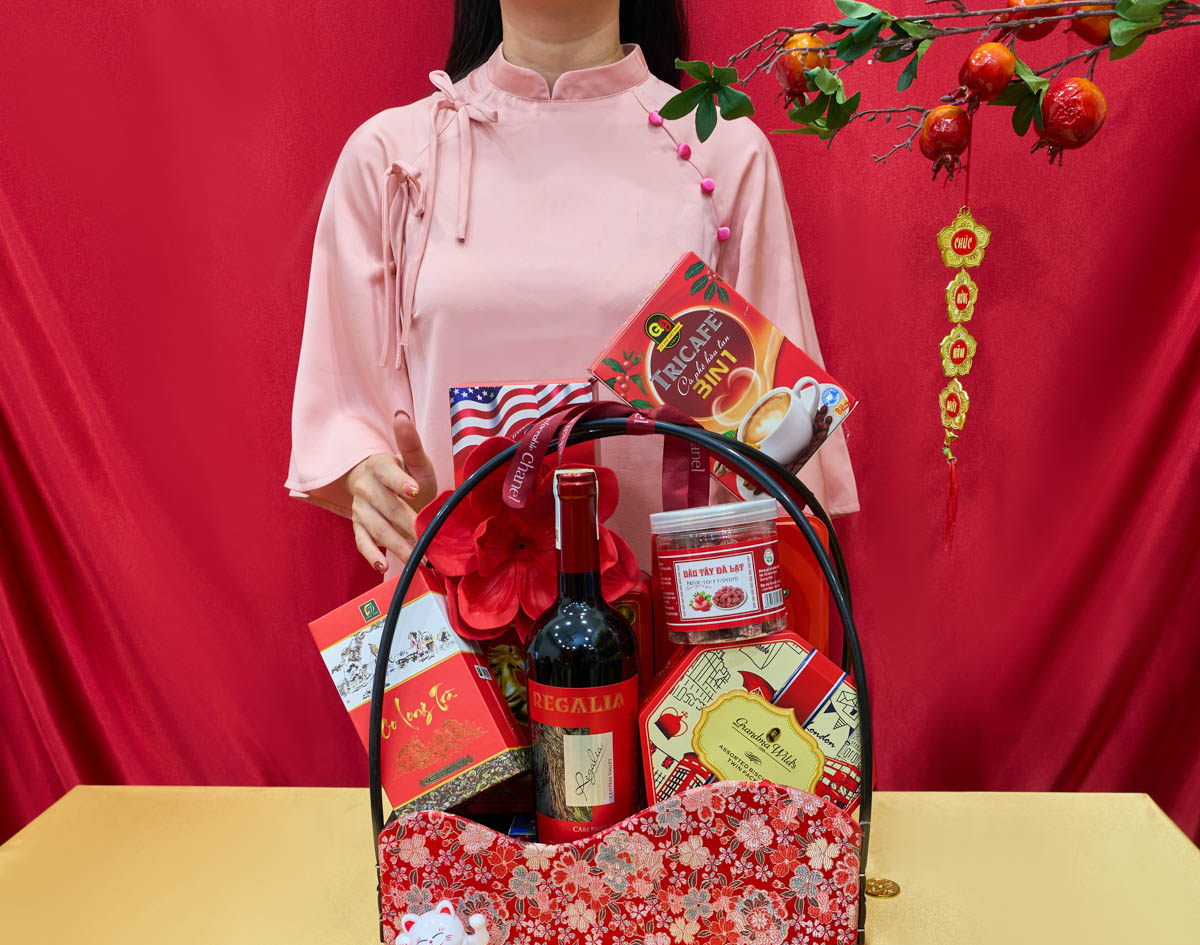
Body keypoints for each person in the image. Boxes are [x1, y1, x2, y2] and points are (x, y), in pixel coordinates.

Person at [287, 0, 858, 574]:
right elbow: (349, 416)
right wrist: (370, 477)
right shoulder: (393, 159)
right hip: (451, 603)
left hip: (681, 609)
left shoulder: (723, 154)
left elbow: (783, 461)